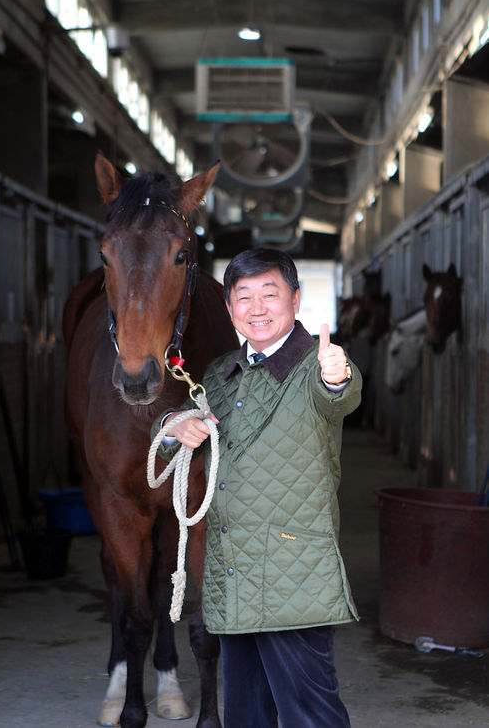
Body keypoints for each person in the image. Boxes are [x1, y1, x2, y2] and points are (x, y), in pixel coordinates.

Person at [152, 247, 362, 728]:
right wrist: (172, 426)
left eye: (270, 293)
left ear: (295, 299)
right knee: (247, 715)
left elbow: (339, 395)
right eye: (243, 296)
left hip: (293, 577)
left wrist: (337, 375)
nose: (257, 307)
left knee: (310, 714)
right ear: (229, 309)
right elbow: (180, 429)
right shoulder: (220, 374)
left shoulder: (315, 365)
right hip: (233, 576)